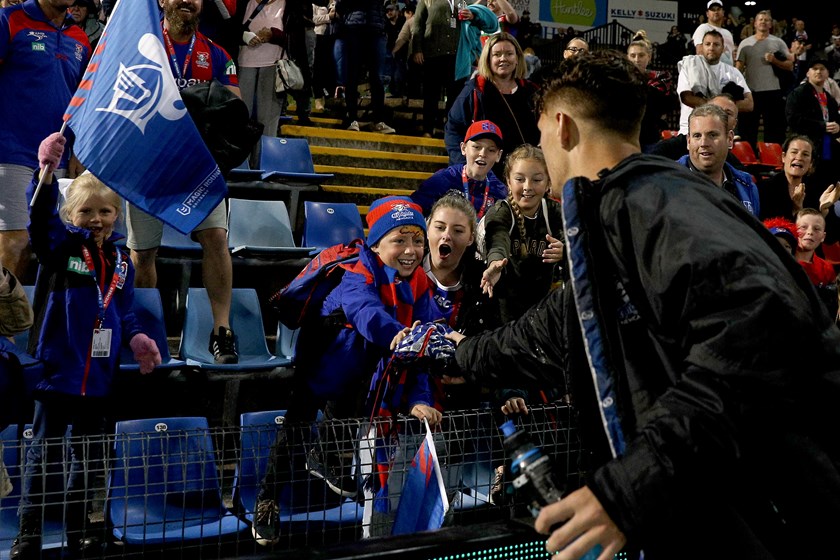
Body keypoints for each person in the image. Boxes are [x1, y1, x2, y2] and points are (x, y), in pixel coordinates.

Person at [446, 50, 840, 559]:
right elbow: (558, 323)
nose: (542, 148)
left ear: (563, 127)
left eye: (541, 134)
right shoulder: (620, 209)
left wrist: (630, 487)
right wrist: (460, 354)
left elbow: (760, 324)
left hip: (774, 515)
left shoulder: (654, 200)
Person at [251, 195, 442, 546]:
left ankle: (325, 455)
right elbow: (364, 310)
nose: (411, 250)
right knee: (294, 434)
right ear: (376, 242)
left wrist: (423, 392)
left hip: (361, 377)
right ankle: (267, 501)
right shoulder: (357, 272)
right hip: (320, 366)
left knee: (345, 420)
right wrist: (396, 334)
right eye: (399, 240)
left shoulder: (419, 284)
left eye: (417, 239)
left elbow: (426, 342)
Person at [11, 134, 161, 560]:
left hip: (98, 377)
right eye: (87, 211)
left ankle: (81, 531)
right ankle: (29, 534)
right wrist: (45, 171)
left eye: (106, 210)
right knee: (42, 458)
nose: (97, 219)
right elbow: (40, 220)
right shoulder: (60, 249)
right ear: (71, 214)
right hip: (55, 372)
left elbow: (125, 312)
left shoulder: (122, 263)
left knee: (91, 460)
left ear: (117, 215)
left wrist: (137, 338)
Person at [126, 0, 241, 364]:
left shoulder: (218, 55)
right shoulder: (139, 46)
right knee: (143, 253)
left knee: (217, 238)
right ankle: (144, 328)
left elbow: (235, 110)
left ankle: (222, 331)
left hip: (197, 169)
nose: (187, 1)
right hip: (148, 166)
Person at [0, 0, 90, 282]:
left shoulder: (81, 38)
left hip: (58, 160)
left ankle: (38, 325)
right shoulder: (10, 20)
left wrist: (78, 150)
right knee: (15, 241)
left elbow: (84, 100)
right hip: (11, 152)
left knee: (56, 248)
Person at [478, 144, 563, 323]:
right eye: (520, 179)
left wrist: (566, 251)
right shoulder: (501, 211)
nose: (527, 187)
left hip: (538, 309)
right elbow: (498, 239)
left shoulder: (555, 213)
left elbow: (579, 242)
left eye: (537, 180)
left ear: (548, 182)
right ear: (508, 181)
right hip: (500, 309)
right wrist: (495, 263)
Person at [444, 32, 540, 177]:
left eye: (509, 54)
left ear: (517, 58)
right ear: (488, 59)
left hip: (524, 177)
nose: (503, 59)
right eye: (497, 54)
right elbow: (453, 131)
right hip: (484, 178)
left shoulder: (533, 93)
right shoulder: (474, 91)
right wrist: (466, 166)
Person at [410, 0, 497, 138]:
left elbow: (487, 24)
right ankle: (427, 130)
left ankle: (449, 132)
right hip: (432, 54)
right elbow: (417, 26)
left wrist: (473, 16)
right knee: (431, 95)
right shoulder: (426, 1)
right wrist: (417, 49)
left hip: (458, 57)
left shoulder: (466, 2)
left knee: (454, 98)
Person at [236, 0, 305, 166]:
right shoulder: (244, 3)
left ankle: (264, 165)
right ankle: (239, 166)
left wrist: (274, 35)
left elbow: (296, 38)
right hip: (244, 65)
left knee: (268, 123)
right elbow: (228, 28)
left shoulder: (288, 5)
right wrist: (243, 35)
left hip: (274, 66)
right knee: (240, 119)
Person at [411, 120, 507, 219]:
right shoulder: (443, 180)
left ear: (498, 155)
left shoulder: (500, 191)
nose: (483, 154)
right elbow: (412, 210)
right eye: (476, 147)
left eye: (491, 150)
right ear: (463, 148)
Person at [678, 103, 760, 217]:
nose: (704, 143)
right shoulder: (668, 184)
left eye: (712, 135)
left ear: (730, 139)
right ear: (688, 141)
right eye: (697, 136)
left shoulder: (747, 187)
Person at [758, 135, 840, 242]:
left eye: (805, 154)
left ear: (810, 163)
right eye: (794, 152)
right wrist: (796, 210)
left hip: (809, 256)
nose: (799, 157)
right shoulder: (764, 188)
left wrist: (824, 212)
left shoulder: (818, 190)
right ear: (783, 157)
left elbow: (831, 238)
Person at [332, 0, 397, 133]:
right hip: (354, 29)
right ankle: (352, 119)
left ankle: (378, 120)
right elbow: (340, 5)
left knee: (377, 77)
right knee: (353, 75)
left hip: (376, 29)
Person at [675, 29, 752, 137]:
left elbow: (749, 104)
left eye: (716, 44)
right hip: (690, 131)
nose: (711, 48)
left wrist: (712, 104)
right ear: (702, 47)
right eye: (707, 44)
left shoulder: (733, 72)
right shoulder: (690, 67)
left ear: (723, 48)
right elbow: (687, 98)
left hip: (723, 134)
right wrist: (723, 105)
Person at [736, 10, 793, 149]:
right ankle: (747, 160)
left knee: (774, 130)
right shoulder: (745, 43)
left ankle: (772, 161)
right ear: (754, 23)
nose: (763, 21)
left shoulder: (778, 42)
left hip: (773, 91)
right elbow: (737, 69)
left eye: (766, 20)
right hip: (751, 91)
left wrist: (774, 60)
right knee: (747, 130)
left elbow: (790, 65)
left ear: (771, 24)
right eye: (760, 19)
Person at [785, 59, 840, 181]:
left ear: (827, 73)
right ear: (807, 73)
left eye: (822, 69)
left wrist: (838, 127)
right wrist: (822, 126)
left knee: (829, 178)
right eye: (815, 69)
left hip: (827, 144)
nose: (819, 71)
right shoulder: (798, 94)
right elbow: (793, 119)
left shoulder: (829, 98)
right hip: (806, 143)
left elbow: (836, 119)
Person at [626, 30, 678, 152]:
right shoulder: (618, 78)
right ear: (627, 57)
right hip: (624, 137)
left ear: (649, 57)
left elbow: (655, 102)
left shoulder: (661, 77)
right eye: (632, 55)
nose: (636, 59)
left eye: (641, 55)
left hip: (650, 138)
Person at [795, 207, 839, 316]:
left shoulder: (827, 269)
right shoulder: (781, 260)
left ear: (823, 237)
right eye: (803, 227)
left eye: (816, 229)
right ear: (794, 230)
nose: (809, 232)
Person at [692, 0, 736, 66]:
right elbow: (700, 52)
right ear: (707, 14)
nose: (716, 12)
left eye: (718, 9)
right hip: (711, 71)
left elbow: (732, 55)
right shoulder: (703, 28)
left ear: (723, 12)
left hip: (728, 72)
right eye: (713, 10)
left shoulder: (728, 33)